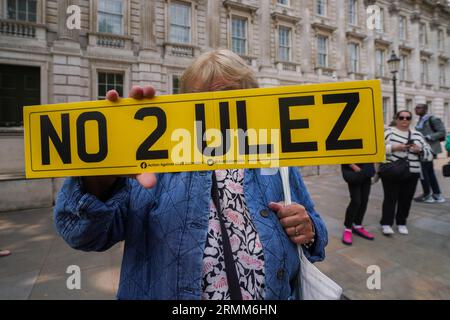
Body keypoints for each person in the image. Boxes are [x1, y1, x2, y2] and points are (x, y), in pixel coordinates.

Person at [54, 49, 328, 300]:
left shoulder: (272, 159)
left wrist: (310, 229)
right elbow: (83, 235)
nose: (215, 109)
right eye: (201, 99)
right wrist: (101, 177)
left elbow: (314, 223)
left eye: (229, 96)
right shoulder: (153, 163)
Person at [380, 110, 433, 235]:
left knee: (406, 199)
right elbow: (377, 149)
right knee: (390, 198)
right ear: (397, 119)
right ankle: (386, 223)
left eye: (408, 118)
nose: (404, 120)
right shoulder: (388, 133)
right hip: (391, 171)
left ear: (410, 120)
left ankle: (401, 222)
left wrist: (419, 150)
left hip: (412, 172)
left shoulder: (417, 135)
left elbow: (429, 154)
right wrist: (394, 147)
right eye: (401, 117)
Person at [413, 104, 447, 203]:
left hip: (430, 150)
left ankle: (427, 195)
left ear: (425, 109)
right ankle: (437, 195)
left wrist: (427, 137)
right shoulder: (420, 120)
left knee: (423, 172)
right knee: (429, 173)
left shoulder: (433, 119)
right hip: (422, 149)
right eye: (416, 108)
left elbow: (442, 132)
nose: (416, 109)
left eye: (419, 108)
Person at [341, 163, 376, 245]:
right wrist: (352, 165)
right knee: (356, 201)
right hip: (353, 171)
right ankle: (348, 228)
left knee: (364, 200)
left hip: (367, 169)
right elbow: (340, 152)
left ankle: (357, 225)